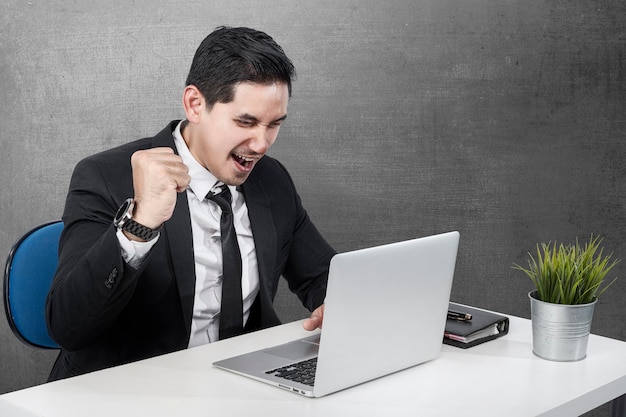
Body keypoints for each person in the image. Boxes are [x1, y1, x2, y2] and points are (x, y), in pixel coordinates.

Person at [45, 26, 336, 381]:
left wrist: (336, 304)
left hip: (242, 382)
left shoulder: (271, 180)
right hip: (131, 387)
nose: (262, 144)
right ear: (195, 104)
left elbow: (321, 275)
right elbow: (67, 326)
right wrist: (140, 223)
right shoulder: (104, 176)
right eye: (245, 121)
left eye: (274, 124)